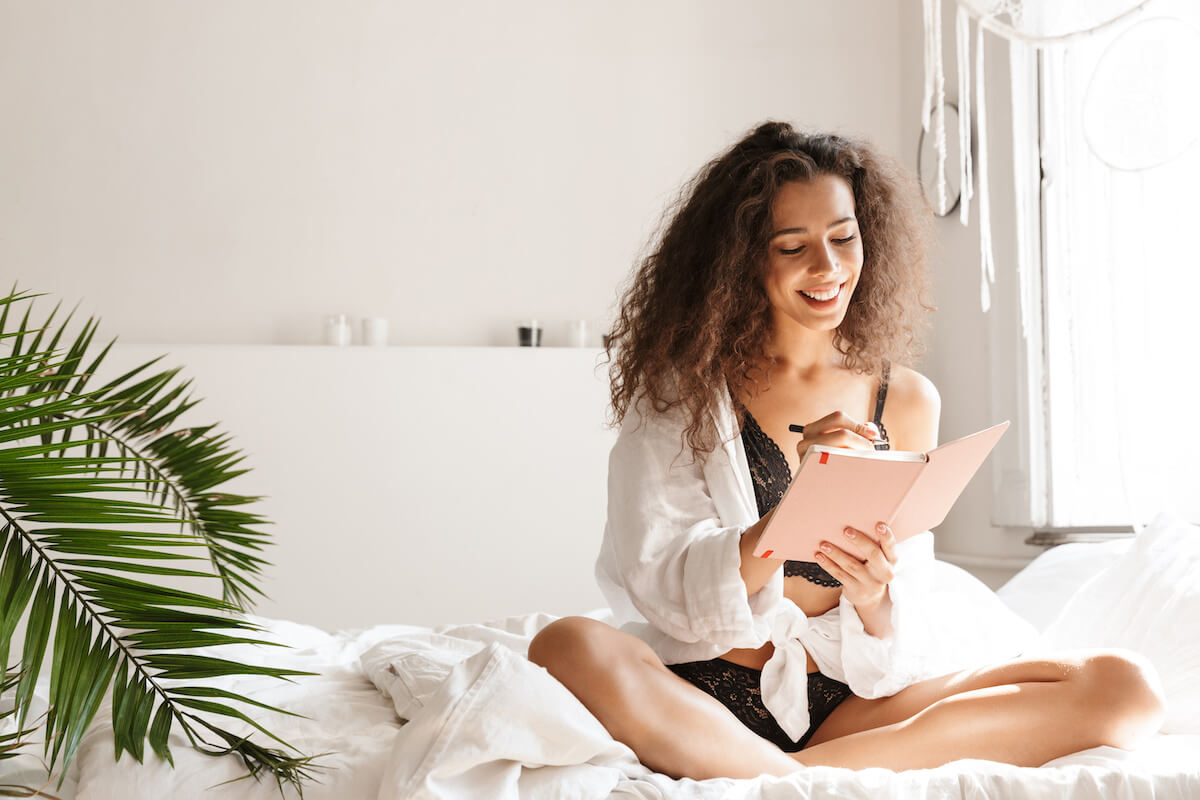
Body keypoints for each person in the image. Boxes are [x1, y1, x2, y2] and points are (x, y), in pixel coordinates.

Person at [528, 121, 1165, 781]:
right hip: (701, 686)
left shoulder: (909, 400)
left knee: (1124, 687)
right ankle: (805, 779)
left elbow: (904, 606)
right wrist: (786, 518)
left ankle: (777, 779)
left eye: (843, 238)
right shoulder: (678, 394)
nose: (827, 268)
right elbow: (658, 578)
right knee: (564, 645)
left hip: (848, 701)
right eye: (792, 246)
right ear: (743, 257)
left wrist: (874, 600)